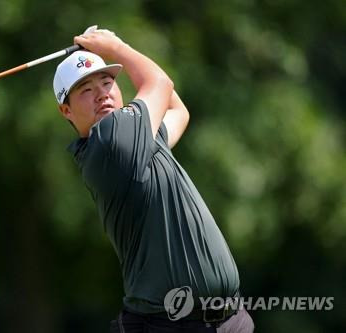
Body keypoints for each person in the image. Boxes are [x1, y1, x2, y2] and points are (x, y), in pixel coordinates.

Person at [53, 28, 255, 333]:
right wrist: (118, 47)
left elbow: (177, 109)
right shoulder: (109, 141)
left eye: (107, 82)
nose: (102, 93)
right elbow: (160, 83)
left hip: (228, 320)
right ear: (66, 110)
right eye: (85, 89)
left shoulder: (135, 139)